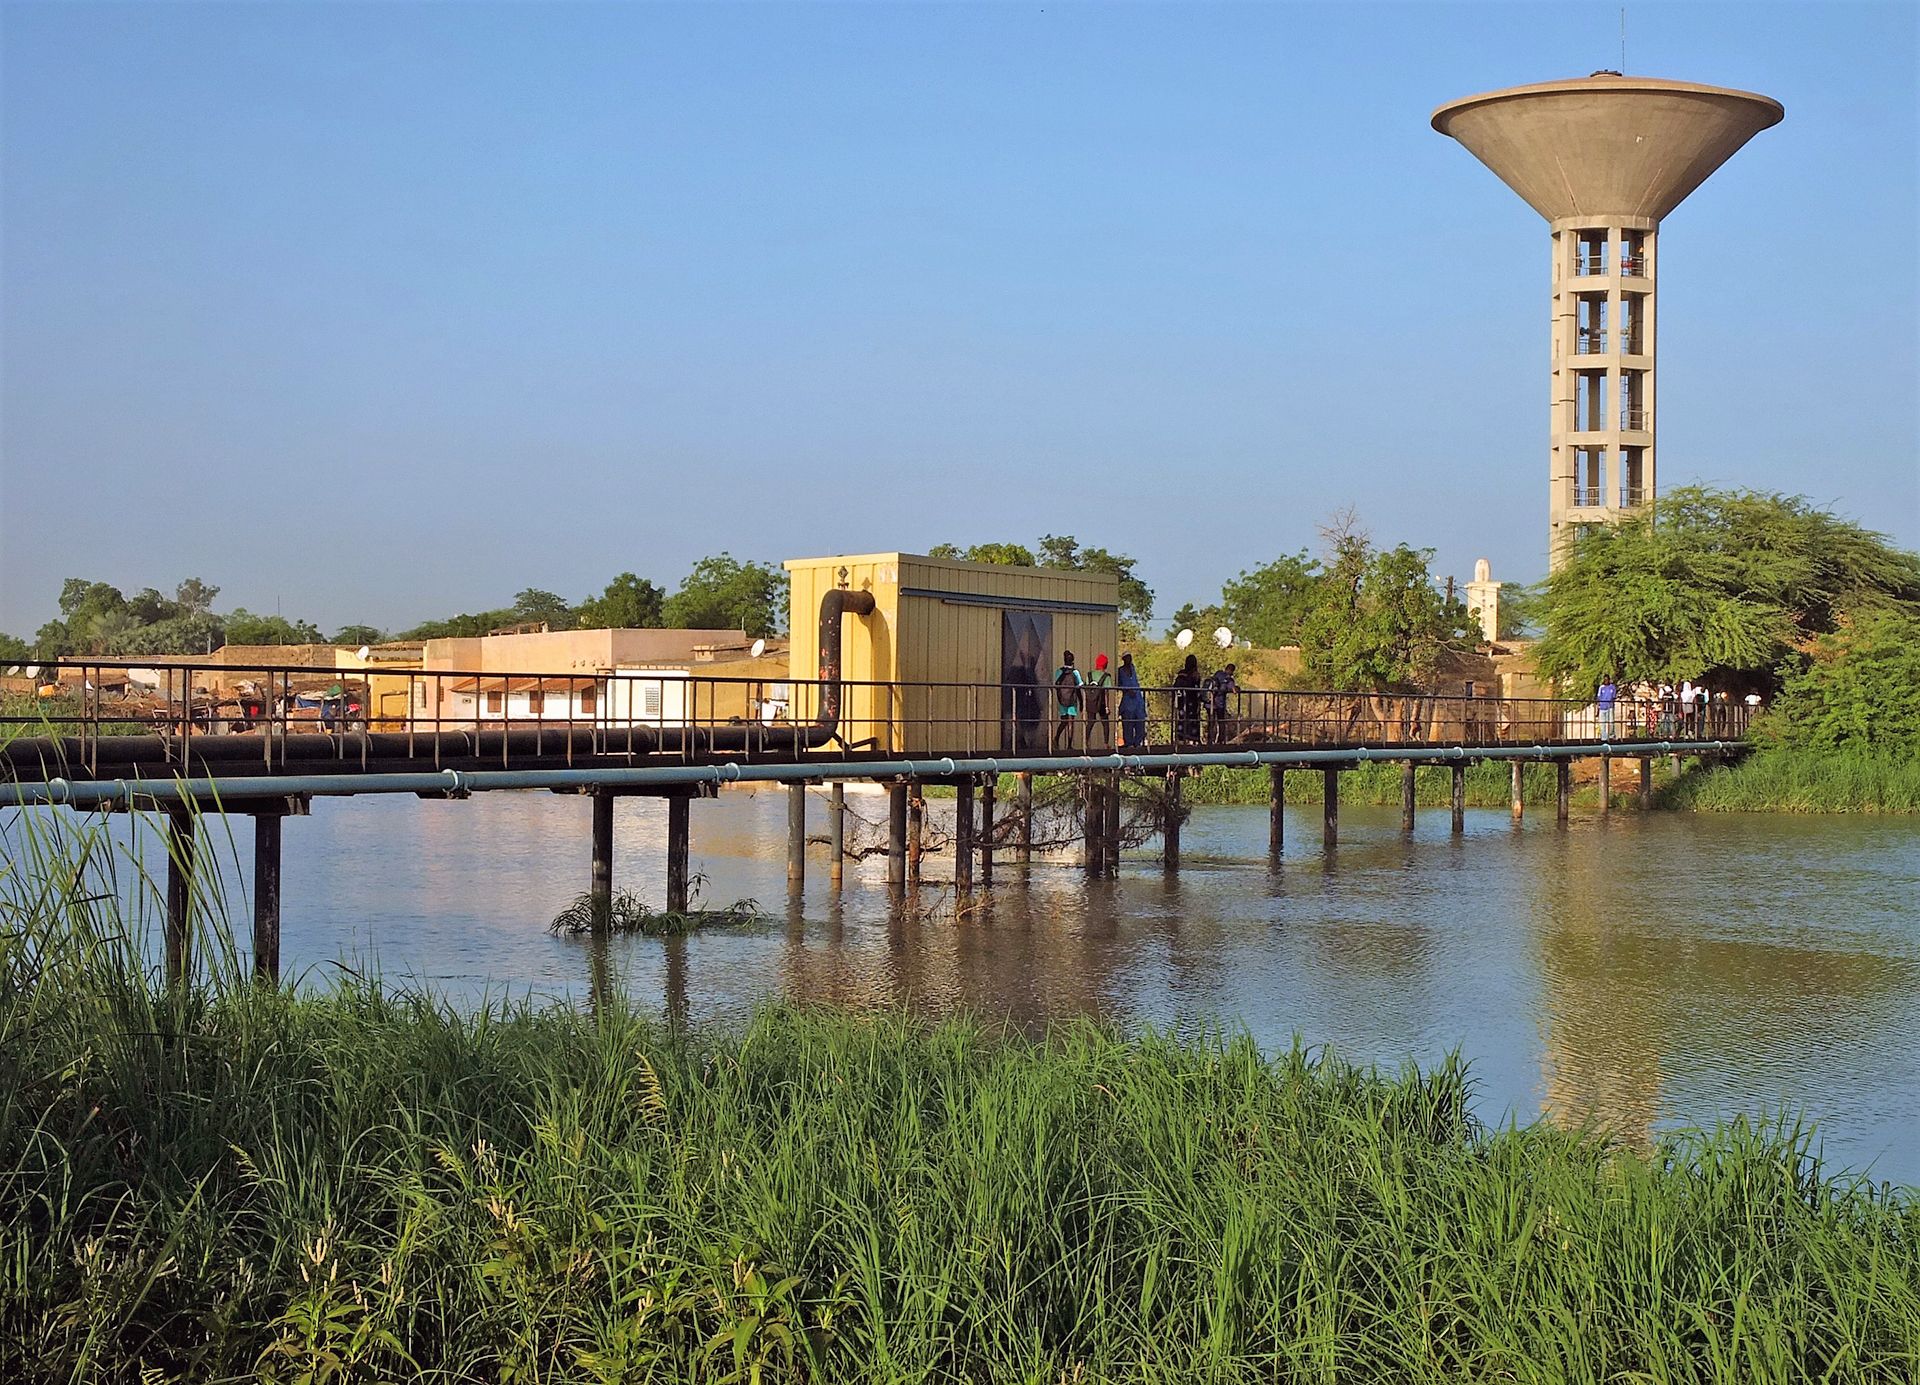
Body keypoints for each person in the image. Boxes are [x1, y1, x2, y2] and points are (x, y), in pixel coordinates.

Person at [1052, 650, 1083, 752]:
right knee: (1070, 722)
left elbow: (1056, 686)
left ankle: (1056, 738)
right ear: (1072, 661)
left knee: (1064, 721)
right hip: (1072, 700)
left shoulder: (1059, 672)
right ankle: (1069, 745)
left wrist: (1060, 697)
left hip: (1062, 699)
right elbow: (1079, 687)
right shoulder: (1075, 672)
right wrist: (1081, 702)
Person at [1117, 652, 1147, 750]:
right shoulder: (1120, 671)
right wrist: (1127, 690)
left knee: (1140, 722)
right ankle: (1129, 743)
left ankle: (1137, 743)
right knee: (1127, 723)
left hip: (1137, 699)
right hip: (1127, 699)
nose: (1129, 660)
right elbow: (1118, 685)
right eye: (1127, 658)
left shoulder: (1133, 669)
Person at [1085, 653, 1115, 749]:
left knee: (1090, 722)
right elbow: (1106, 692)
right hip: (1101, 703)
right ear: (1105, 664)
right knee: (1105, 723)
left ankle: (1086, 741)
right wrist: (1107, 707)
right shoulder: (1106, 677)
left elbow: (1086, 688)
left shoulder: (1089, 675)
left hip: (1090, 702)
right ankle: (1106, 744)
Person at [1172, 654, 1203, 743]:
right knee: (1191, 720)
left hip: (1182, 702)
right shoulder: (1189, 675)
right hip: (1190, 701)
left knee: (1183, 719)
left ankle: (1182, 739)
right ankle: (1191, 739)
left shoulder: (1181, 674)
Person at [1206, 662, 1238, 744]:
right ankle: (1220, 741)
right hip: (1219, 704)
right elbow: (1234, 690)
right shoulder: (1228, 679)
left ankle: (1209, 740)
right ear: (1231, 671)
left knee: (1211, 722)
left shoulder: (1218, 673)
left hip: (1209, 703)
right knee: (1221, 722)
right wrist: (1236, 688)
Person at [1596, 675, 1617, 740]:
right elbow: (1599, 697)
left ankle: (1611, 735)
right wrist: (1598, 709)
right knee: (1602, 723)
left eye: (1607, 680)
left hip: (1610, 707)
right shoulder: (1601, 687)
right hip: (1602, 707)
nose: (1606, 681)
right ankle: (1604, 737)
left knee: (1611, 722)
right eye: (1605, 680)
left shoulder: (1612, 687)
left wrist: (1610, 703)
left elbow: (1613, 697)